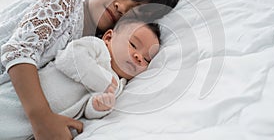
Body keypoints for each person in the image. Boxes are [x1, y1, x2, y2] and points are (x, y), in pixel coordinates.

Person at [0, 0, 180, 139]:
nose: (121, 7)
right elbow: (18, 50)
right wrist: (42, 119)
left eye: (134, 13)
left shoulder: (98, 49)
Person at [0, 18, 161, 140]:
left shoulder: (118, 85)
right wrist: (103, 85)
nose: (138, 56)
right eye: (133, 44)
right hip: (19, 99)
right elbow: (70, 59)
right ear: (108, 37)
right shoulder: (96, 48)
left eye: (146, 59)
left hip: (31, 128)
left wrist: (98, 107)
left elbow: (86, 110)